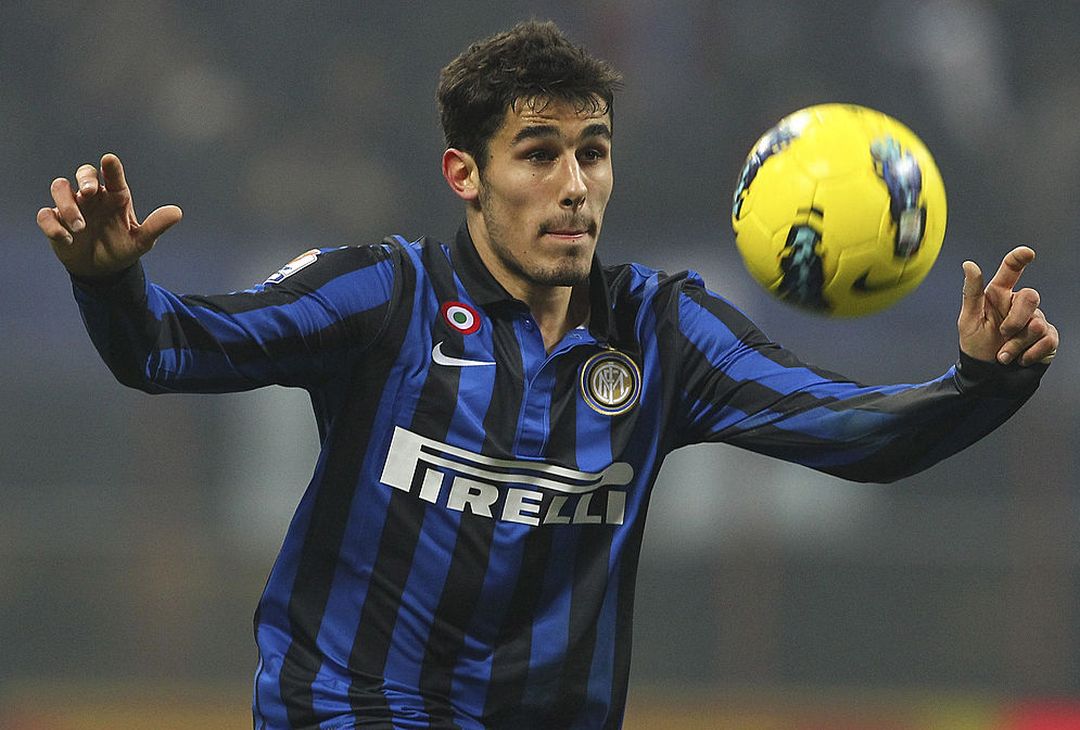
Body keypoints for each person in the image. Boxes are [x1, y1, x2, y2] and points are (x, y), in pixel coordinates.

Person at [38, 19, 1058, 730]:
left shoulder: (661, 330)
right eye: (538, 154)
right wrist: (110, 283)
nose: (575, 187)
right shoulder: (382, 296)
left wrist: (978, 380)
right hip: (346, 708)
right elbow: (167, 349)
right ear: (465, 174)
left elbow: (849, 431)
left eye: (593, 153)